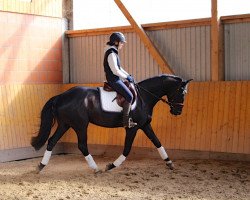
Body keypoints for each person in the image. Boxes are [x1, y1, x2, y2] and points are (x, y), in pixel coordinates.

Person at [103, 32, 137, 128]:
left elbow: (120, 68)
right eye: (121, 43)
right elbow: (115, 70)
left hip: (116, 79)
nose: (122, 45)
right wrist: (126, 78)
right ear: (116, 42)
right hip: (113, 80)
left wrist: (128, 75)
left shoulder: (113, 52)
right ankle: (126, 122)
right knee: (130, 96)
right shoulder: (111, 53)